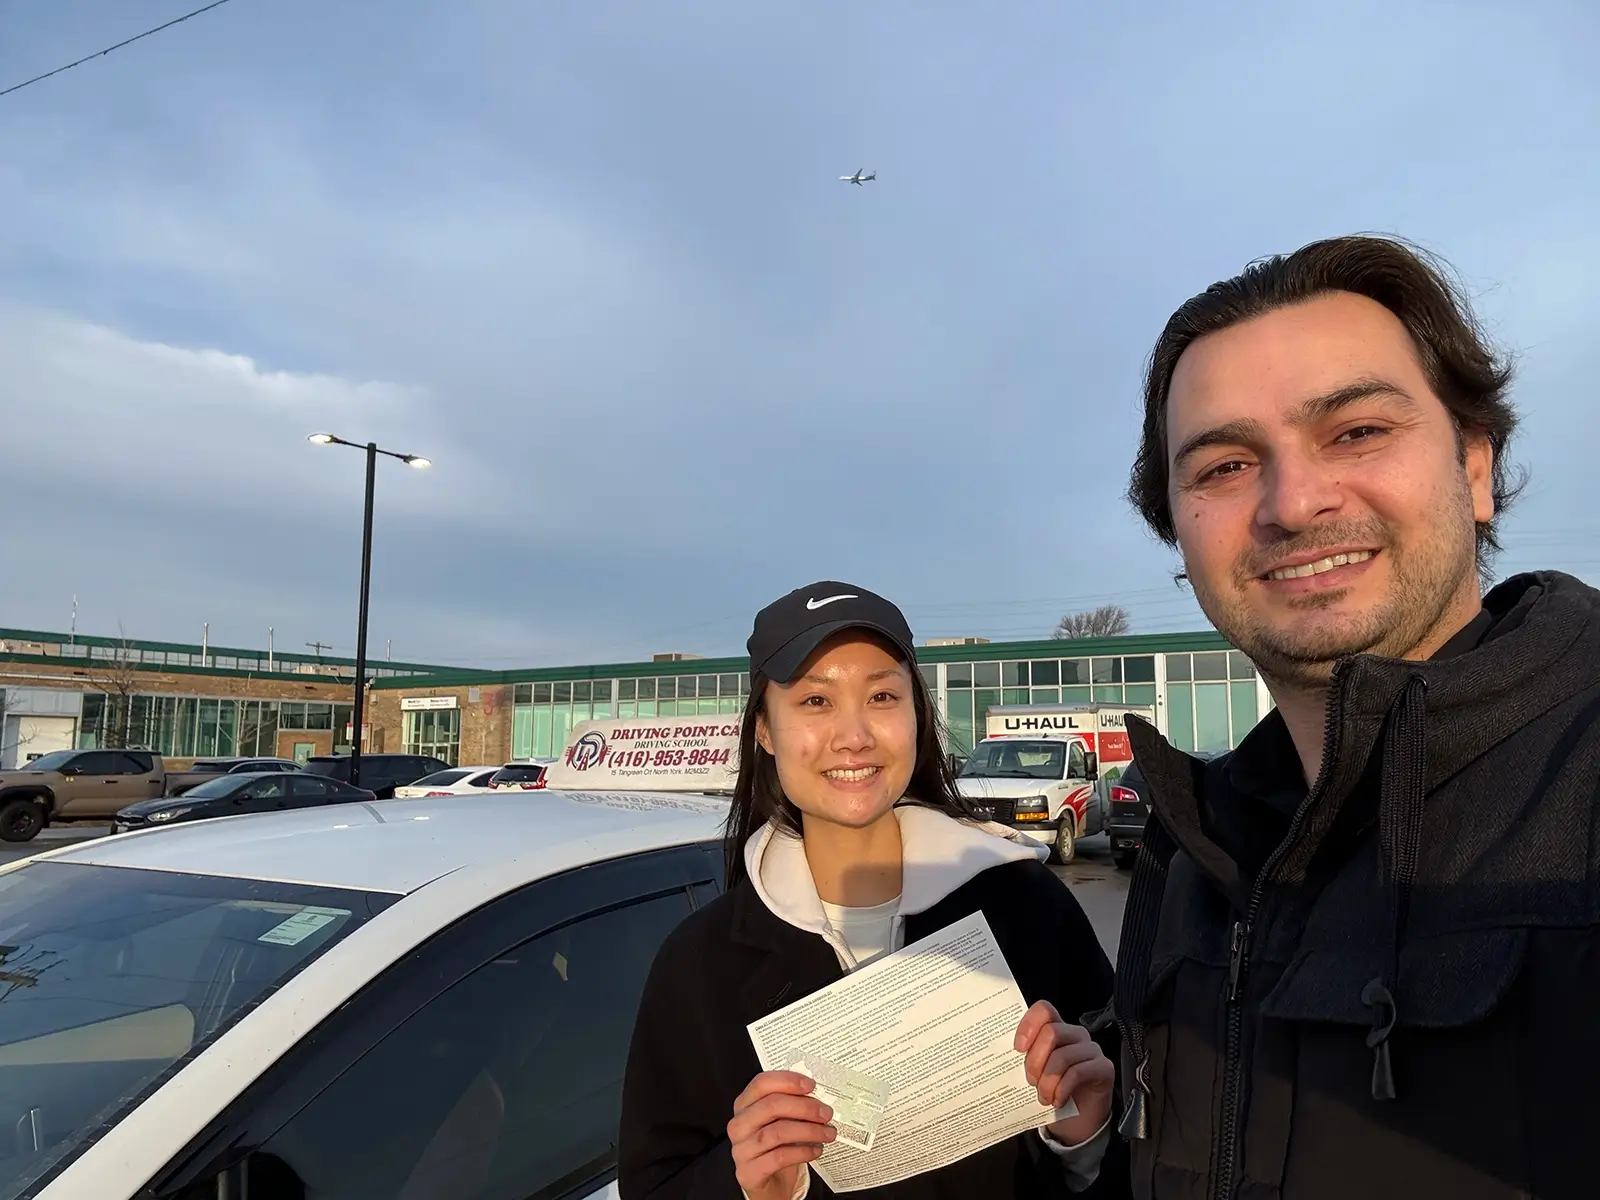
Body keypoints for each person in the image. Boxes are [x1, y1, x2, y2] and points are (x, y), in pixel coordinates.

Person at [1109, 233, 1600, 1198]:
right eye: (1224, 466)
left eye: (1357, 431)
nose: (1294, 504)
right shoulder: (1192, 854)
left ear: (1474, 467)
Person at [619, 582, 1131, 1199]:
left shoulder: (1031, 910)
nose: (854, 736)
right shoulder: (700, 963)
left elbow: (1144, 1157)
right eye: (815, 700)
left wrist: (1085, 1141)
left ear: (917, 715)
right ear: (765, 731)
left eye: (882, 696)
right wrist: (748, 1186)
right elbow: (655, 1185)